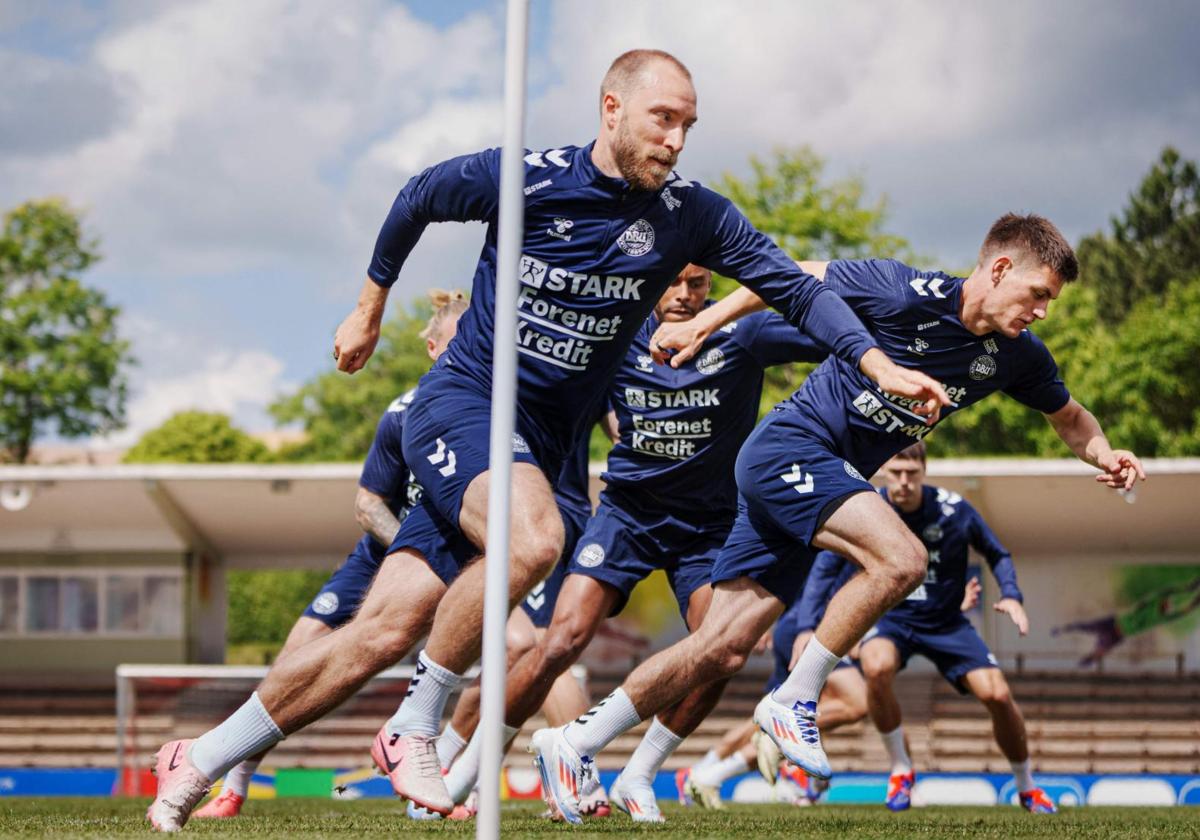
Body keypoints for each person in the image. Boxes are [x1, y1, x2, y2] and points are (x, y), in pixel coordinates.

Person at [148, 47, 940, 831]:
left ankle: (203, 756)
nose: (676, 139)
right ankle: (415, 725)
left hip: (546, 443)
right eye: (662, 118)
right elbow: (419, 195)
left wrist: (876, 363)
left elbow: (795, 289)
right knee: (534, 541)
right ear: (612, 109)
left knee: (381, 633)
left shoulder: (692, 214)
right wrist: (369, 307)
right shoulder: (528, 177)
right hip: (466, 404)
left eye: (688, 125)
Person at [531, 213, 1146, 823]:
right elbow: (784, 274)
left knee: (719, 648)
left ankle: (575, 743)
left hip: (817, 481)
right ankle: (794, 699)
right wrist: (705, 322)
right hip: (791, 451)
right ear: (1001, 268)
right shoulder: (902, 289)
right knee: (902, 558)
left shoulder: (1018, 357)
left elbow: (1070, 417)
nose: (1042, 311)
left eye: (1051, 302)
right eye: (1039, 294)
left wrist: (1104, 451)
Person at [497, 262, 825, 824]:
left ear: (710, 290)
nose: (684, 293)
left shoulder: (739, 336)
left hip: (709, 525)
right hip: (628, 514)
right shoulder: (616, 335)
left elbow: (826, 329)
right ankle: (464, 770)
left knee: (721, 652)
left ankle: (640, 773)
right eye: (673, 281)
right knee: (560, 640)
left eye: (697, 284)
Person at [187, 290, 466, 821]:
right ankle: (233, 785)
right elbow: (368, 505)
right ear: (432, 348)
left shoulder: (498, 416)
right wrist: (405, 557)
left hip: (454, 561)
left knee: (494, 657)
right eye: (457, 340)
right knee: (296, 657)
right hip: (380, 557)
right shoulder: (403, 414)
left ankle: (458, 781)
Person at [849, 442, 1056, 813]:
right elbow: (833, 567)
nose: (904, 482)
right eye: (896, 472)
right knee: (875, 667)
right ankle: (900, 770)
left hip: (947, 622)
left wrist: (1011, 594)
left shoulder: (954, 509)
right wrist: (835, 626)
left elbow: (997, 552)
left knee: (996, 695)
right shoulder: (869, 510)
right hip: (892, 620)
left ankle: (1027, 787)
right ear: (884, 472)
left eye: (912, 474)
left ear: (924, 472)